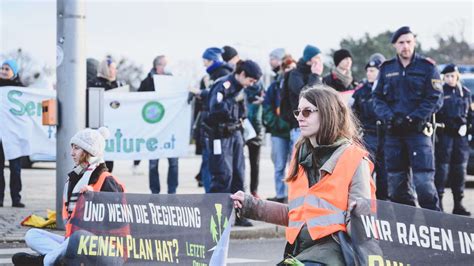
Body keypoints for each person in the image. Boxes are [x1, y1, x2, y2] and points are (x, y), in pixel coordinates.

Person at [231, 85, 375, 264]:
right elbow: (296, 214)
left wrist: (360, 216)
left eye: (307, 112)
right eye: (298, 111)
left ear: (327, 113)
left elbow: (362, 231)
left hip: (335, 252)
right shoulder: (301, 155)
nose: (300, 117)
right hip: (301, 250)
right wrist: (248, 205)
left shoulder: (353, 158)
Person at [12, 127, 125, 266]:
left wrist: (95, 199)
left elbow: (118, 221)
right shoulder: (74, 178)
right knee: (32, 235)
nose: (72, 153)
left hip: (108, 249)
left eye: (76, 148)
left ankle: (44, 261)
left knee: (79, 238)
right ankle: (62, 259)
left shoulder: (107, 180)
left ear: (89, 151)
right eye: (72, 148)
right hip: (74, 242)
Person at [373, 26, 443, 210]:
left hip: (418, 133)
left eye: (409, 42)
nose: (406, 46)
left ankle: (434, 229)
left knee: (424, 186)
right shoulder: (386, 69)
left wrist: (414, 118)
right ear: (395, 45)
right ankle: (409, 232)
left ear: (414, 43)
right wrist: (391, 117)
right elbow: (377, 99)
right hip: (393, 134)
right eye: (401, 42)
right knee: (396, 188)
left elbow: (435, 98)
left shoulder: (427, 67)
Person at [205, 60, 262, 226]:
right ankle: (217, 218)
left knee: (238, 175)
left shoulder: (241, 88)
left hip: (236, 134)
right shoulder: (224, 85)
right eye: (250, 80)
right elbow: (215, 108)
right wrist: (232, 101)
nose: (251, 84)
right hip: (220, 135)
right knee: (223, 176)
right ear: (242, 74)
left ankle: (239, 215)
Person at [192, 47, 234, 192]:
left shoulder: (223, 74)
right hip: (209, 125)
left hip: (215, 128)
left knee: (211, 163)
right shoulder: (212, 75)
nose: (204, 64)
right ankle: (209, 196)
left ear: (213, 60)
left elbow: (216, 94)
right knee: (207, 162)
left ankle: (210, 198)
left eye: (205, 61)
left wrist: (201, 92)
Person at [138, 55, 179, 194]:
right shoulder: (147, 82)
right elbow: (138, 102)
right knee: (153, 163)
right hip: (153, 128)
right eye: (163, 64)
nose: (165, 67)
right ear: (156, 66)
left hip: (170, 128)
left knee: (173, 162)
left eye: (166, 64)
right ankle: (155, 192)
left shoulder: (172, 81)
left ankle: (172, 192)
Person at [435, 64, 472, 216]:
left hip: (460, 140)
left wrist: (467, 128)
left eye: (452, 76)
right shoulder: (440, 93)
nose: (450, 79)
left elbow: (470, 114)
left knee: (459, 172)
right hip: (445, 137)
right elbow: (436, 115)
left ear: (457, 76)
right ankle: (440, 206)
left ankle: (458, 205)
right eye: (447, 76)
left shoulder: (465, 93)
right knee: (442, 173)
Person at [352, 54, 389, 200]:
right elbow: (352, 114)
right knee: (366, 172)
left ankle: (384, 206)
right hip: (369, 135)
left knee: (385, 174)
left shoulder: (388, 89)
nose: (369, 73)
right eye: (368, 70)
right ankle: (368, 205)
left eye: (373, 70)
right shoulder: (360, 92)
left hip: (386, 135)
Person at [263, 52, 295, 203]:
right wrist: (275, 123)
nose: (289, 70)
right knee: (279, 165)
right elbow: (267, 108)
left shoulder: (297, 84)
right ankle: (280, 195)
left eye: (292, 67)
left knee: (294, 166)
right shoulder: (275, 86)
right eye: (286, 67)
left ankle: (293, 196)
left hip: (294, 130)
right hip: (278, 133)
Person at [283, 45, 324, 154]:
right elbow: (306, 95)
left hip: (315, 125)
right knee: (298, 160)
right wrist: (315, 75)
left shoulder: (315, 74)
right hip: (299, 126)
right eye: (318, 57)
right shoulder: (295, 74)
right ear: (310, 59)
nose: (320, 60)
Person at [88, 57, 125, 173]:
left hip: (113, 129)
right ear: (106, 68)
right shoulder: (93, 84)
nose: (115, 71)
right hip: (97, 128)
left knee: (109, 164)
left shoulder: (118, 85)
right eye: (113, 68)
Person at [0, 59, 25, 208]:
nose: (3, 71)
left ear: (13, 72)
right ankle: (0, 199)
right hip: (0, 135)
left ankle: (16, 198)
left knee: (15, 169)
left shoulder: (21, 89)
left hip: (14, 136)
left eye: (6, 69)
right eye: (2, 68)